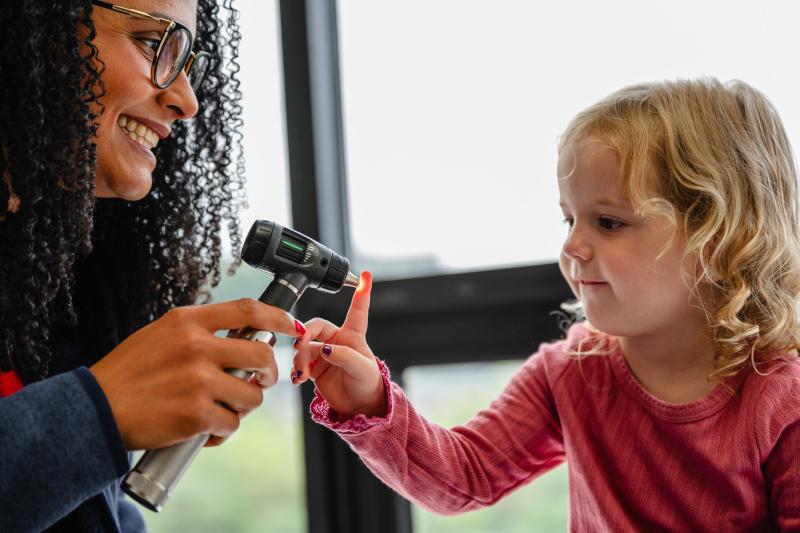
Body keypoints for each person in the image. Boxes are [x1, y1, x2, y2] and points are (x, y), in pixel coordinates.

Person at [292, 78, 800, 531]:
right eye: (568, 220)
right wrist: (368, 404)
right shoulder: (571, 372)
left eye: (608, 222)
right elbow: (465, 476)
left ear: (717, 238)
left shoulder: (781, 400)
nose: (572, 248)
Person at [0, 1, 302, 530]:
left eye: (189, 62)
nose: (186, 100)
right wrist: (102, 412)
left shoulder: (55, 293)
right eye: (150, 42)